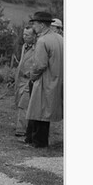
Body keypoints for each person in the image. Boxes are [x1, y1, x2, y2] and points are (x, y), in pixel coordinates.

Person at [23, 11, 64, 148]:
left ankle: (39, 142)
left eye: (34, 24)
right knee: (47, 111)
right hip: (57, 78)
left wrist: (32, 77)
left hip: (44, 79)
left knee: (39, 111)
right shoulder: (59, 38)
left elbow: (40, 64)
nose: (33, 27)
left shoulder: (42, 40)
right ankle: (39, 140)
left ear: (41, 24)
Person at [13, 25, 37, 136]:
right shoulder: (24, 46)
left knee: (24, 104)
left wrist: (31, 74)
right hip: (20, 79)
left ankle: (21, 130)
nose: (24, 37)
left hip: (29, 80)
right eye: (23, 34)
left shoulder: (37, 48)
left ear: (34, 36)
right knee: (18, 102)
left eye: (27, 35)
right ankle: (21, 126)